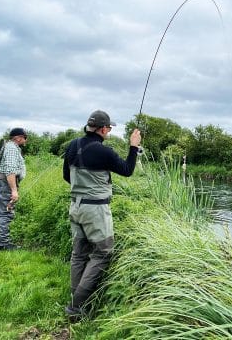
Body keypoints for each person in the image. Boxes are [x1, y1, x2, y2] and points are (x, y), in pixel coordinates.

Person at [63, 110, 141, 320]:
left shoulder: (72, 145)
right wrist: (134, 146)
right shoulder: (104, 151)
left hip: (75, 207)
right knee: (103, 253)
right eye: (109, 128)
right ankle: (77, 306)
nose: (109, 131)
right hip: (95, 210)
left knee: (79, 253)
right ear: (103, 129)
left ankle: (75, 298)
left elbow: (66, 176)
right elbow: (127, 170)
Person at [0, 128, 27, 250]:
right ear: (18, 138)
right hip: (6, 183)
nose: (25, 140)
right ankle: (3, 243)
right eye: (24, 137)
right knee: (7, 211)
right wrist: (14, 190)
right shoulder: (12, 148)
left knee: (0, 211)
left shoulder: (8, 146)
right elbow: (10, 170)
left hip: (1, 182)